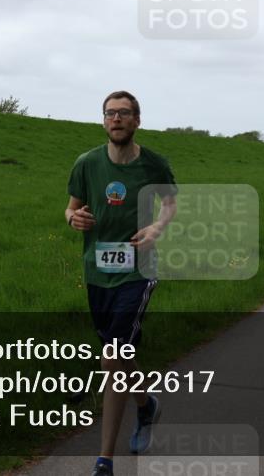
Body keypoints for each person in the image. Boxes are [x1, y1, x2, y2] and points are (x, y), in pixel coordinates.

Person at [66, 91, 178, 476]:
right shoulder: (86, 163)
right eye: (110, 113)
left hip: (139, 268)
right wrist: (73, 219)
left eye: (124, 113)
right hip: (98, 270)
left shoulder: (154, 165)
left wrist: (156, 228)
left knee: (113, 357)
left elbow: (170, 205)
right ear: (103, 121)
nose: (117, 119)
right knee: (121, 356)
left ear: (137, 120)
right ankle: (145, 405)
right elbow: (71, 206)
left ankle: (104, 461)